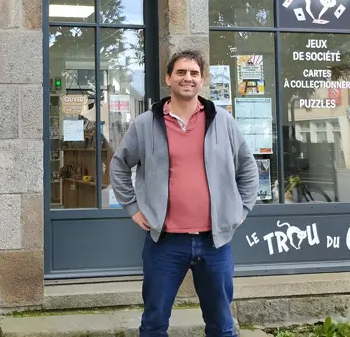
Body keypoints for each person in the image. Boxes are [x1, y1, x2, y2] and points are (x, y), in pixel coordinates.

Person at [110, 50, 259, 337]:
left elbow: (247, 168)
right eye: (180, 72)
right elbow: (119, 165)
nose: (187, 78)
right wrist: (132, 207)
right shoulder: (146, 123)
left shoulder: (222, 121)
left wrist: (241, 210)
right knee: (153, 324)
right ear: (169, 78)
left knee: (222, 326)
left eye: (193, 73)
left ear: (202, 80)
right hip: (164, 243)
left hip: (214, 243)